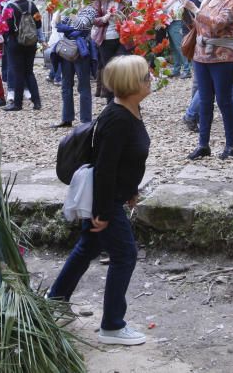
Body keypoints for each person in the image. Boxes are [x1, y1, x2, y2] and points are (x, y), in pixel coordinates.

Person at [47, 55, 151, 346]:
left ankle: (54, 301)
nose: (150, 79)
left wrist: (132, 190)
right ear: (131, 84)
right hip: (105, 201)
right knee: (125, 256)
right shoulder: (117, 119)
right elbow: (104, 169)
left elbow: (124, 162)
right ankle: (112, 326)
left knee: (86, 248)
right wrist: (104, 211)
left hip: (113, 196)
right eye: (145, 77)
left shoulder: (131, 110)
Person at [182, 0, 233, 160]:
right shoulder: (208, 0)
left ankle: (231, 145)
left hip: (223, 57)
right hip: (202, 57)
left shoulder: (232, 3)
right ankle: (203, 144)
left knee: (224, 101)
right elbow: (200, 26)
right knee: (205, 101)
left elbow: (217, 25)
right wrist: (187, 14)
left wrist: (194, 9)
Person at [52, 4, 98, 128]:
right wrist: (60, 9)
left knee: (83, 86)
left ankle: (85, 120)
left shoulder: (90, 10)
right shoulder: (71, 7)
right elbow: (59, 26)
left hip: (82, 50)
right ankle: (66, 118)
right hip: (67, 49)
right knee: (66, 85)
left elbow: (81, 25)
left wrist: (72, 14)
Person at [2, 0, 42, 112]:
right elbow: (39, 24)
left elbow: (5, 27)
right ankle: (36, 102)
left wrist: (7, 40)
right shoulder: (32, 6)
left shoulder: (10, 7)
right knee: (29, 72)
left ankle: (17, 104)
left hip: (15, 43)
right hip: (31, 42)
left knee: (18, 72)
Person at [92, 0, 130, 103]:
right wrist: (106, 17)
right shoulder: (101, 1)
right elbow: (95, 20)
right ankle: (110, 101)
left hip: (121, 40)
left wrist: (122, 19)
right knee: (109, 70)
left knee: (120, 69)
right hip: (105, 39)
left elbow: (132, 21)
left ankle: (123, 99)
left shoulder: (126, 2)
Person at [162, 0, 191, 78]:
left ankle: (187, 70)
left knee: (179, 46)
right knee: (174, 47)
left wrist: (159, 6)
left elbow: (167, 7)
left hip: (176, 22)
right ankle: (176, 69)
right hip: (172, 22)